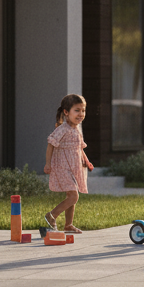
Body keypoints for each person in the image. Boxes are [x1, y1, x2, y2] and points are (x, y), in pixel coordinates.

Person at [44, 94, 94, 233]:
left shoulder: (77, 129)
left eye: (83, 110)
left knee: (72, 196)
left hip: (74, 166)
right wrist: (48, 164)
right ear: (66, 112)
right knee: (73, 196)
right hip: (62, 167)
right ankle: (51, 215)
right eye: (77, 110)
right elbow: (50, 144)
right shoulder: (62, 129)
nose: (81, 114)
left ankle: (68, 225)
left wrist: (87, 161)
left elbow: (80, 147)